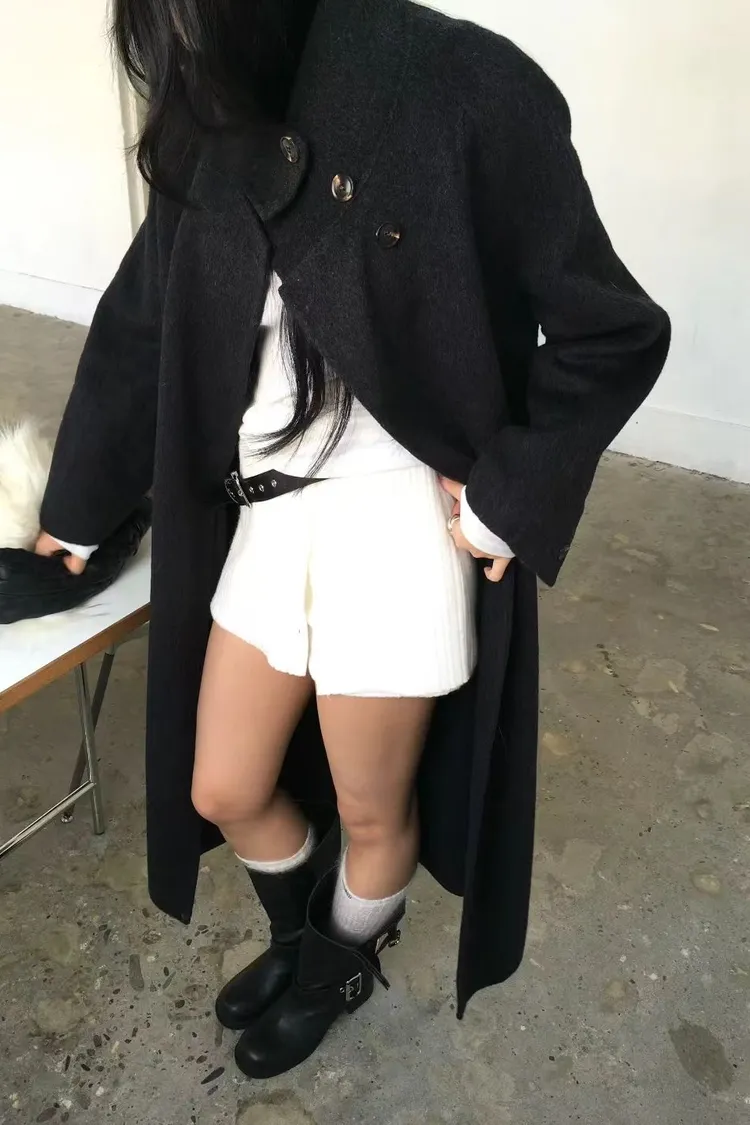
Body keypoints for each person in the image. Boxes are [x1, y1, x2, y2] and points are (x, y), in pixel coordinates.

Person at [35, 0, 670, 1080]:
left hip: (392, 522)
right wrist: (75, 512)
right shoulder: (210, 120)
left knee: (375, 807)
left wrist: (511, 491)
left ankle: (337, 964)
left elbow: (610, 327)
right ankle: (305, 934)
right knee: (223, 785)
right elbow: (142, 325)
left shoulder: (461, 85)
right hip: (269, 513)